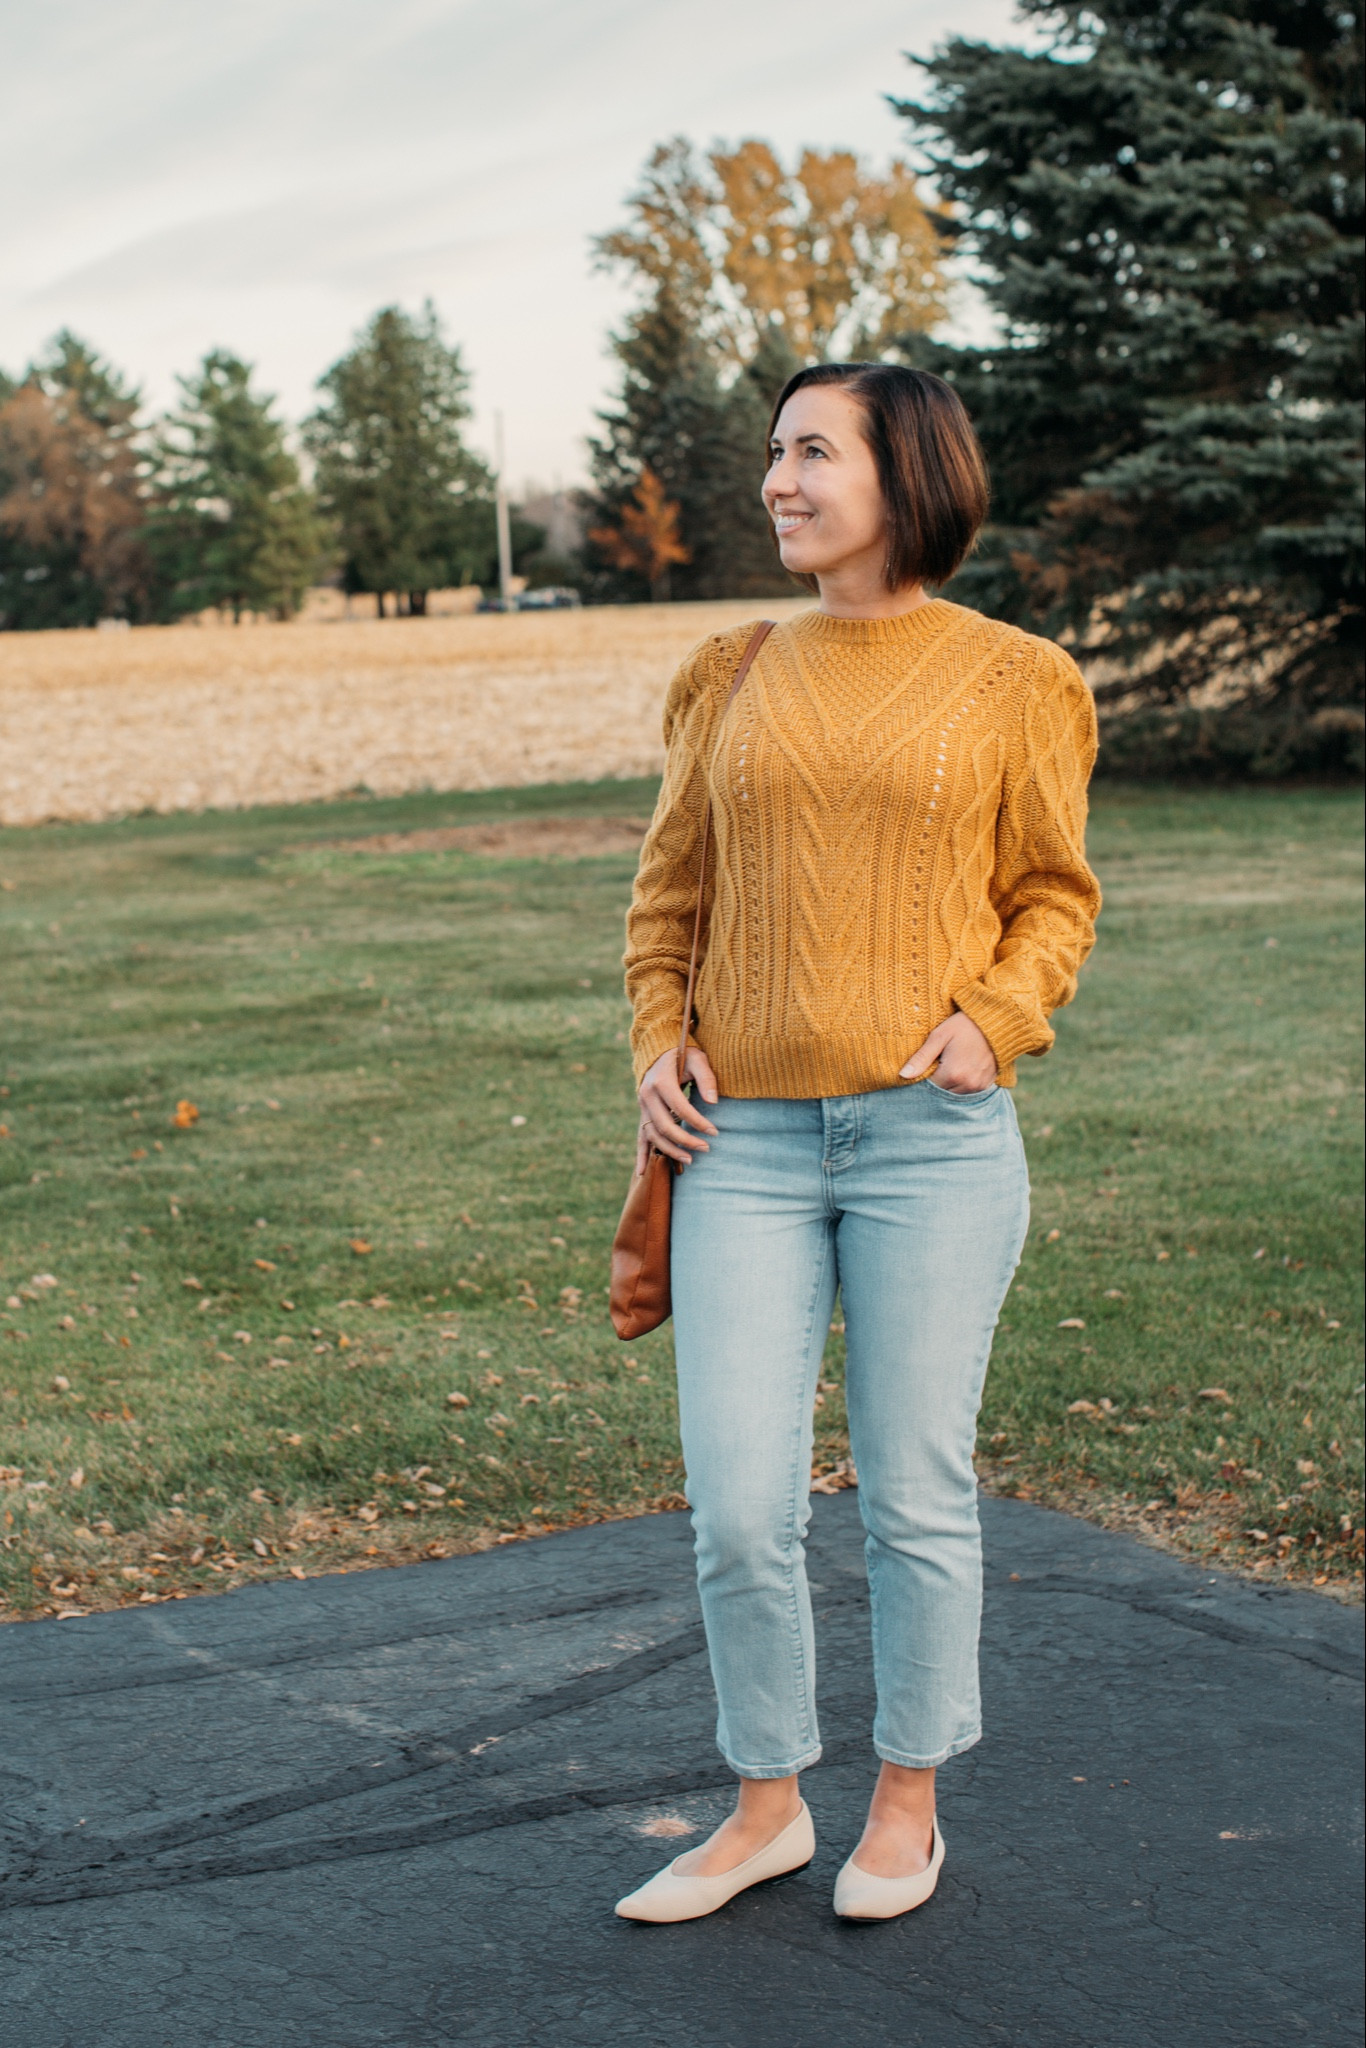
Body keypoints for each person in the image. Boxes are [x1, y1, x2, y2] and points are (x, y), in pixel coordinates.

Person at [614, 362, 1100, 1926]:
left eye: (810, 451)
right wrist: (654, 1046)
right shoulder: (728, 672)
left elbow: (1054, 894)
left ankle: (904, 1803)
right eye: (773, 453)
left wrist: (997, 1015)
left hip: (929, 1143)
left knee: (911, 1491)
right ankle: (763, 1808)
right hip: (740, 1146)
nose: (777, 479)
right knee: (740, 1503)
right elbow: (665, 900)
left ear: (905, 475)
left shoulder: (1013, 679)